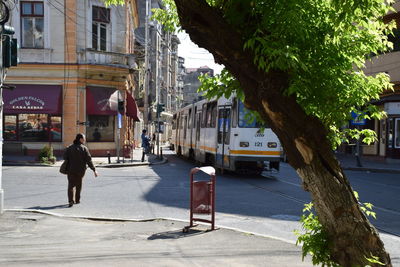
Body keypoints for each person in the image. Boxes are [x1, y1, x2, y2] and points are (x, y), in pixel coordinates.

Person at [63, 133, 98, 207]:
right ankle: (77, 200)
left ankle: (70, 201)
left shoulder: (69, 148)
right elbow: (89, 160)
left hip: (71, 170)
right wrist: (94, 170)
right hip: (81, 171)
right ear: (80, 139)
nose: (85, 140)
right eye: (84, 139)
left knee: (71, 186)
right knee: (79, 185)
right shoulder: (84, 148)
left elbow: (65, 158)